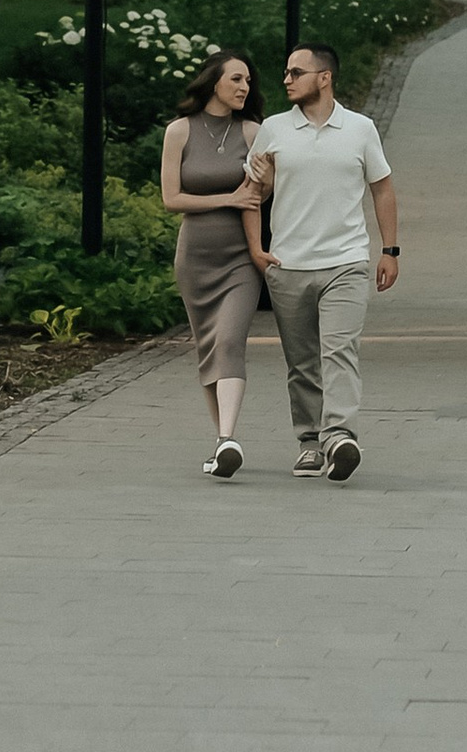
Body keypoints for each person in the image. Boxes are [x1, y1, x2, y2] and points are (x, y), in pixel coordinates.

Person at [243, 39, 400, 483]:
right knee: (302, 361)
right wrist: (257, 250)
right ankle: (309, 442)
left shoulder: (360, 128)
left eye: (297, 72)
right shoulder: (272, 129)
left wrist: (389, 250)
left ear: (325, 78)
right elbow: (254, 196)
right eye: (287, 72)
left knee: (340, 350)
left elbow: (382, 187)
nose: (286, 79)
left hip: (346, 261)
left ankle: (340, 437)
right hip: (288, 264)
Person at [160, 49, 266, 479]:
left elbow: (264, 192)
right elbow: (171, 199)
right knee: (207, 348)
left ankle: (227, 439)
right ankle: (223, 441)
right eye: (236, 79)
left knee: (228, 342)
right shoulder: (179, 131)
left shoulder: (254, 132)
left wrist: (264, 178)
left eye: (248, 81)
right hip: (195, 257)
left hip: (241, 256)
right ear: (213, 82)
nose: (244, 88)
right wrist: (228, 197)